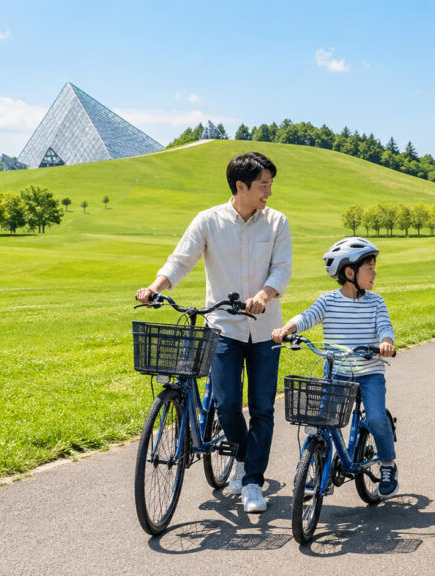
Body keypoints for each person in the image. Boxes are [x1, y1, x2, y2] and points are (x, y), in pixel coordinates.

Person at [136, 152, 292, 513]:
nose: (268, 192)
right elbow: (181, 259)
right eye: (263, 185)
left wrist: (263, 296)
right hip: (223, 327)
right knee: (224, 403)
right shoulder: (208, 221)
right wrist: (156, 287)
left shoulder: (276, 222)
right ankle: (240, 455)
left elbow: (281, 270)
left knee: (263, 408)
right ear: (242, 186)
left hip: (266, 329)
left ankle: (253, 480)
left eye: (270, 185)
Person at [272, 237, 399, 498]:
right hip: (337, 373)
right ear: (350, 272)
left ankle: (388, 464)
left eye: (375, 267)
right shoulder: (328, 301)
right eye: (370, 268)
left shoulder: (376, 302)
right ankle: (321, 471)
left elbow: (385, 326)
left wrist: (386, 342)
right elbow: (307, 316)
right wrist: (288, 329)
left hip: (369, 373)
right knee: (321, 421)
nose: (375, 273)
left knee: (375, 418)